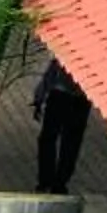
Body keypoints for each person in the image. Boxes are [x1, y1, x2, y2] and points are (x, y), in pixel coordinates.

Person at [32, 55, 90, 195]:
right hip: (81, 98)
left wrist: (39, 97)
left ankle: (46, 181)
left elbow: (53, 70)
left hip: (60, 95)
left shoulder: (67, 48)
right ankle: (60, 183)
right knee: (71, 143)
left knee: (48, 139)